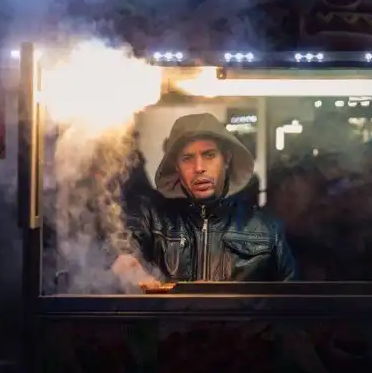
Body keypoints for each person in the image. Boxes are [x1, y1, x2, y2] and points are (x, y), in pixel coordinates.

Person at [113, 113, 296, 283]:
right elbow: (114, 251)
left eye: (209, 155)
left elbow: (292, 300)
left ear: (226, 159)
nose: (199, 167)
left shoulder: (266, 229)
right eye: (187, 158)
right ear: (176, 166)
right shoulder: (152, 219)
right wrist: (130, 269)